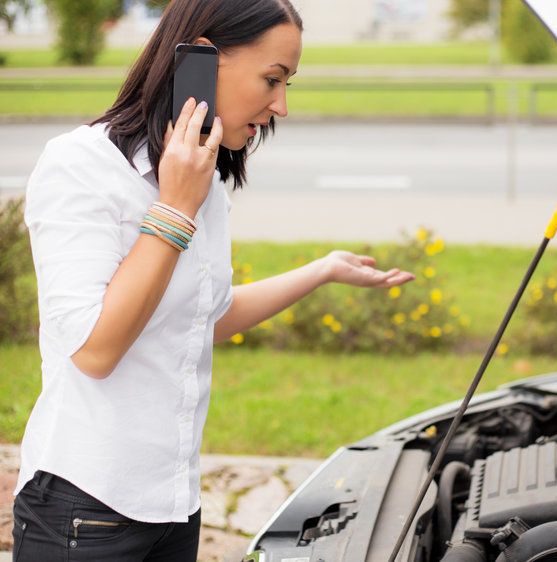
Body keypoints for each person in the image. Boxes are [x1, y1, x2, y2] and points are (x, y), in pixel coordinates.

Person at [12, 1, 414, 560]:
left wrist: (321, 271)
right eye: (272, 79)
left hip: (174, 503)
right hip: (86, 509)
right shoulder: (81, 167)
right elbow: (94, 349)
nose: (282, 105)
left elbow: (204, 319)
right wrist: (176, 207)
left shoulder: (203, 179)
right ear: (201, 58)